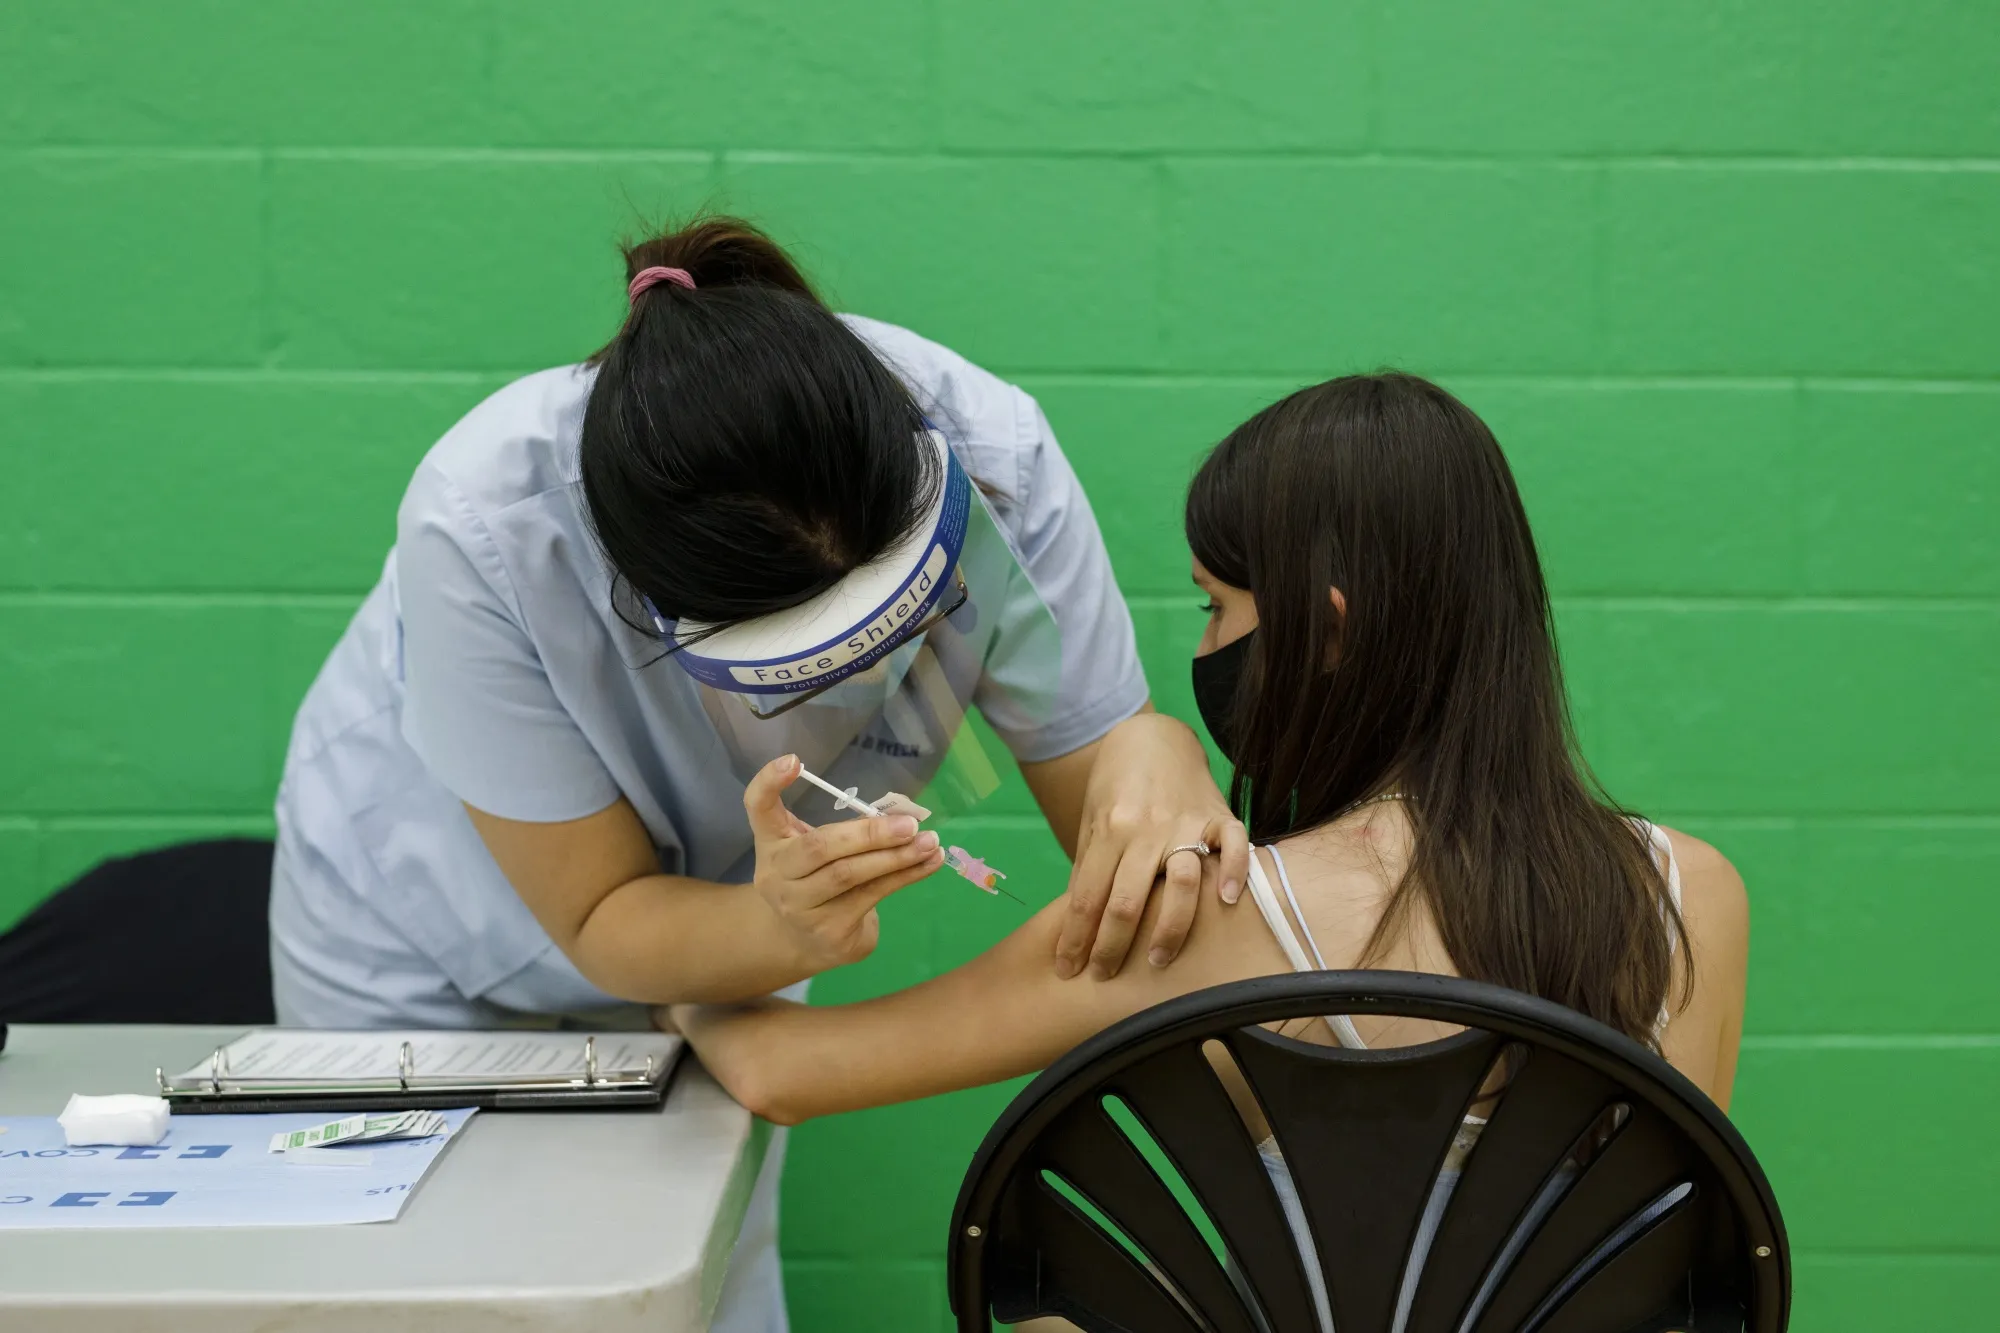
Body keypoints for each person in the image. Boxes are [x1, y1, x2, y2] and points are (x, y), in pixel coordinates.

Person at [267, 217, 1246, 1333]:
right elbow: (602, 912)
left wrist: (1151, 747)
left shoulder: (996, 456)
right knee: (409, 1299)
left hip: (746, 930)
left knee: (692, 1281)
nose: (884, 679)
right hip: (424, 933)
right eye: (809, 666)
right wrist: (780, 938)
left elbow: (1126, 863)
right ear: (640, 595)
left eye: (907, 623)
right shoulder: (487, 524)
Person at [669, 373, 1750, 1317]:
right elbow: (1670, 1254)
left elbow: (778, 1069)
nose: (1204, 646)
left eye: (1214, 606)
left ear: (1324, 632)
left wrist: (645, 938)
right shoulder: (1688, 895)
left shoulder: (1205, 914)